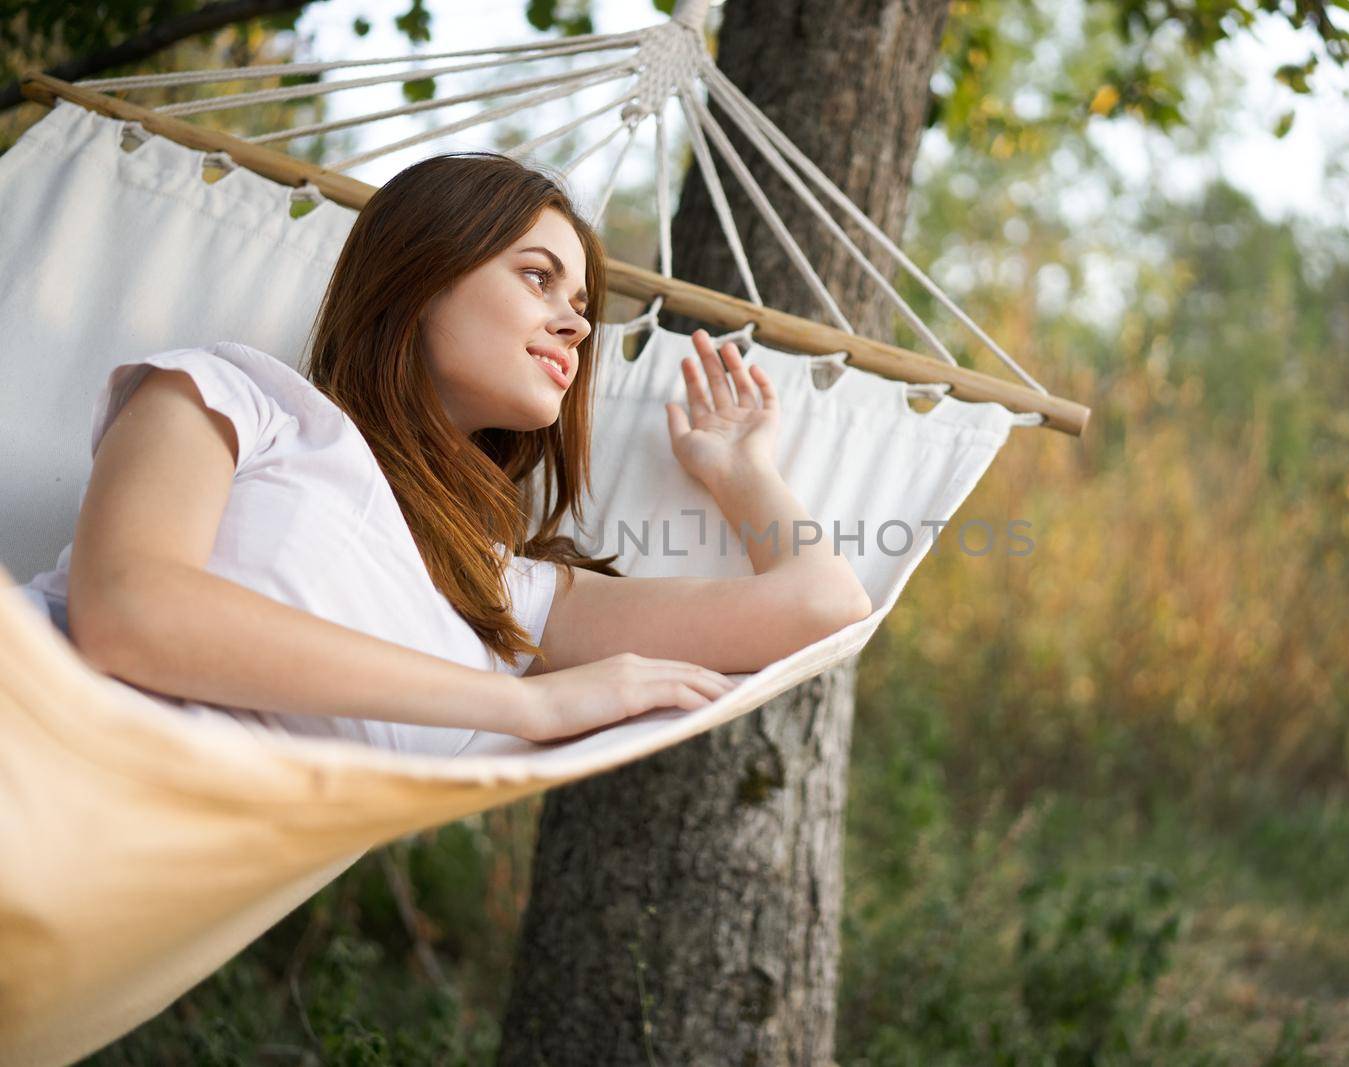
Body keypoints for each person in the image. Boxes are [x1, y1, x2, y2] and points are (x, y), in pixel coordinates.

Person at [15, 152, 873, 757]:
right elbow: (127, 612)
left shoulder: (504, 593)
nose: (576, 322)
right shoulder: (232, 398)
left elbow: (824, 607)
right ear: (422, 274)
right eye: (538, 277)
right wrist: (519, 704)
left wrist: (742, 471)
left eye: (582, 303)